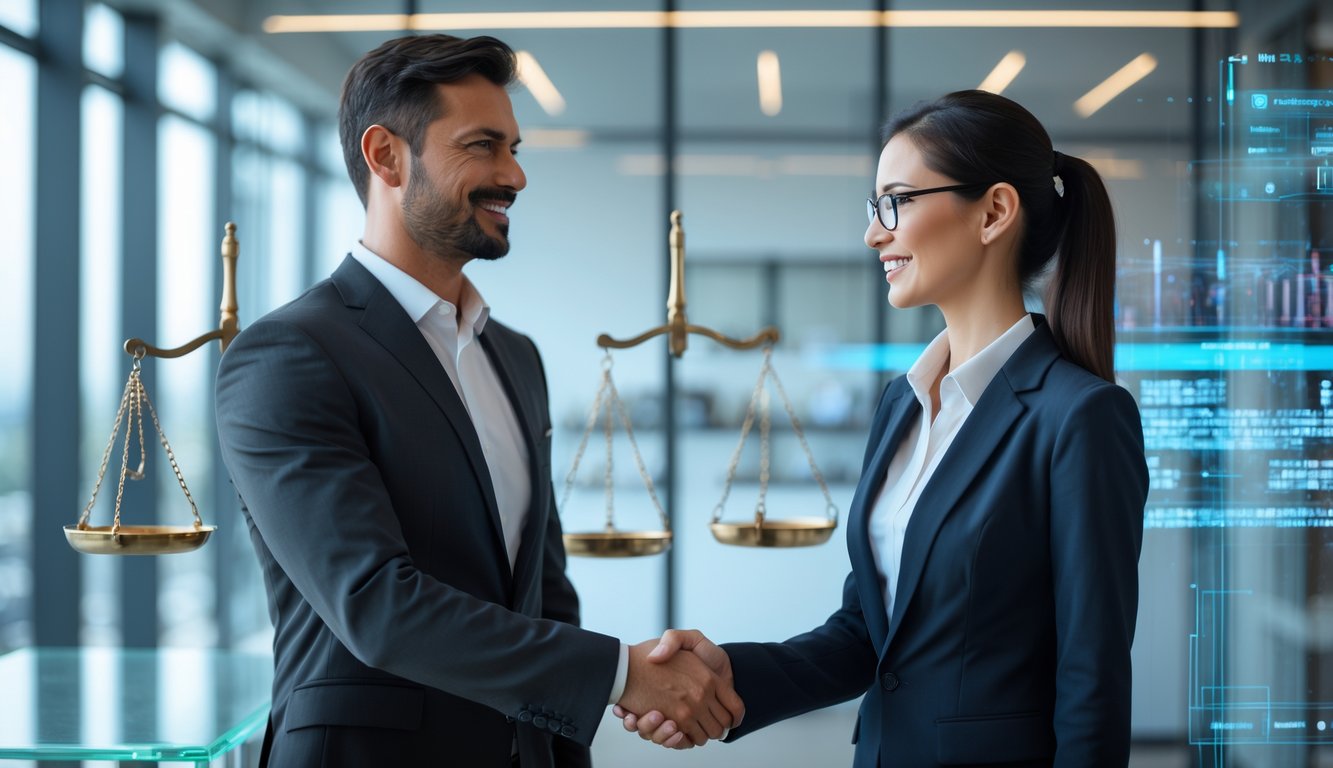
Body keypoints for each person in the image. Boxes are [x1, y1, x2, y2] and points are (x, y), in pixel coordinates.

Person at [215, 33, 742, 768]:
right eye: (483, 146)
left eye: (515, 148)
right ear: (386, 156)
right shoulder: (290, 356)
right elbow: (377, 605)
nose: (515, 175)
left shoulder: (514, 356)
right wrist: (624, 675)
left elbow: (543, 590)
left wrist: (577, 725)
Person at [614, 90, 1149, 767]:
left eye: (895, 201)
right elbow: (871, 634)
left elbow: (1092, 676)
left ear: (993, 212)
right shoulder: (903, 403)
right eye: (874, 208)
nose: (874, 233)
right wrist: (727, 678)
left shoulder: (1078, 417)